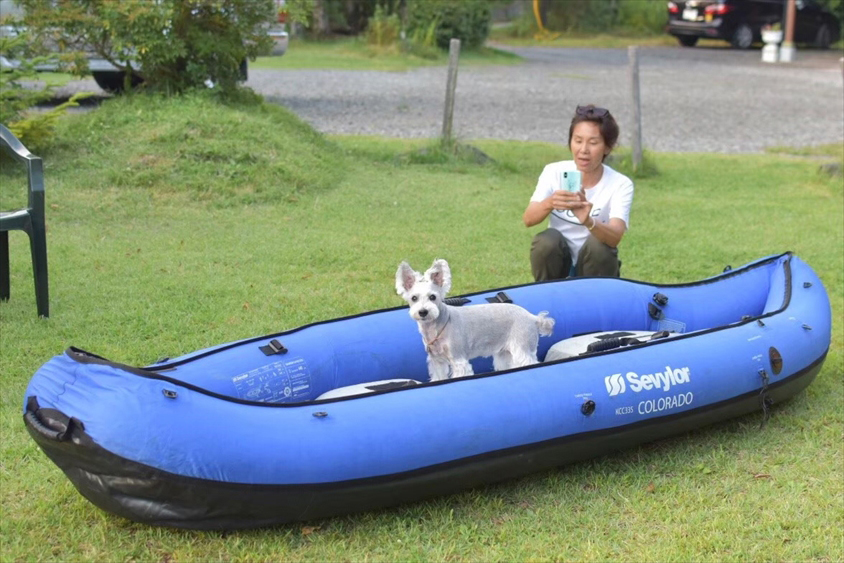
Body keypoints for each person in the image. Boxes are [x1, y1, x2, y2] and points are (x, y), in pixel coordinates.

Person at [522, 105, 633, 281]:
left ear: (607, 147)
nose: (583, 150)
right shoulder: (554, 171)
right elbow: (528, 220)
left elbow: (615, 237)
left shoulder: (620, 184)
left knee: (599, 246)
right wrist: (550, 202)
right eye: (578, 140)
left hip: (595, 265)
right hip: (559, 260)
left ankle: (595, 295)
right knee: (546, 241)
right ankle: (549, 292)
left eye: (593, 143)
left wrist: (588, 221)